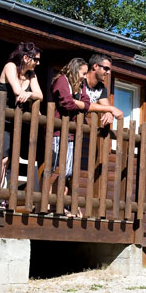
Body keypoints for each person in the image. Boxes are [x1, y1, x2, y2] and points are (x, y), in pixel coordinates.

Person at [0, 42, 43, 205]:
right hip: (1, 118)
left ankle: (2, 195)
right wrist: (28, 94)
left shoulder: (32, 75)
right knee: (1, 159)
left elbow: (40, 95)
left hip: (16, 122)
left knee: (9, 159)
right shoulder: (10, 66)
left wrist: (28, 95)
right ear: (25, 57)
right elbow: (16, 90)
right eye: (36, 60)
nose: (38, 63)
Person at [50, 57, 91, 216]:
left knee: (67, 172)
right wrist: (79, 104)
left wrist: (79, 103)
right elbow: (66, 103)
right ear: (75, 70)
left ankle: (61, 205)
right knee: (57, 170)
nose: (85, 77)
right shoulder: (62, 81)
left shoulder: (80, 86)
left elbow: (87, 103)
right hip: (59, 132)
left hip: (72, 134)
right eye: (83, 73)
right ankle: (51, 206)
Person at [82, 54, 123, 128]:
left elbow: (105, 106)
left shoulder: (101, 88)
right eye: (106, 68)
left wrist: (108, 112)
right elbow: (83, 105)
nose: (108, 72)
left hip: (77, 129)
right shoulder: (80, 82)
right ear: (95, 66)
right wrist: (111, 109)